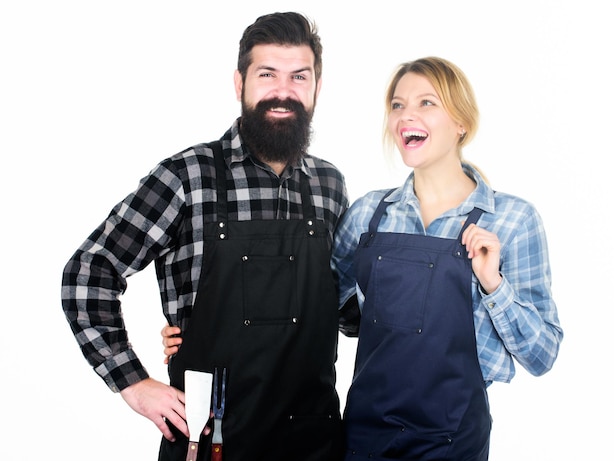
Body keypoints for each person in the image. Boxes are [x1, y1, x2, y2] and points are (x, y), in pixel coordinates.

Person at [61, 12, 348, 461]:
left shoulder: (329, 186)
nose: (283, 91)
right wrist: (134, 384)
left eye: (299, 76)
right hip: (211, 441)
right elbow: (88, 273)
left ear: (316, 88)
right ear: (240, 83)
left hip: (311, 442)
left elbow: (345, 309)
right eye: (267, 74)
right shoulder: (188, 176)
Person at [330, 56, 563, 460]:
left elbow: (542, 356)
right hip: (364, 438)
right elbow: (320, 305)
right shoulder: (368, 214)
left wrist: (495, 284)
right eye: (398, 105)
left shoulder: (512, 220)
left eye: (426, 103)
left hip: (452, 442)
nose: (406, 116)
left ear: (461, 123)